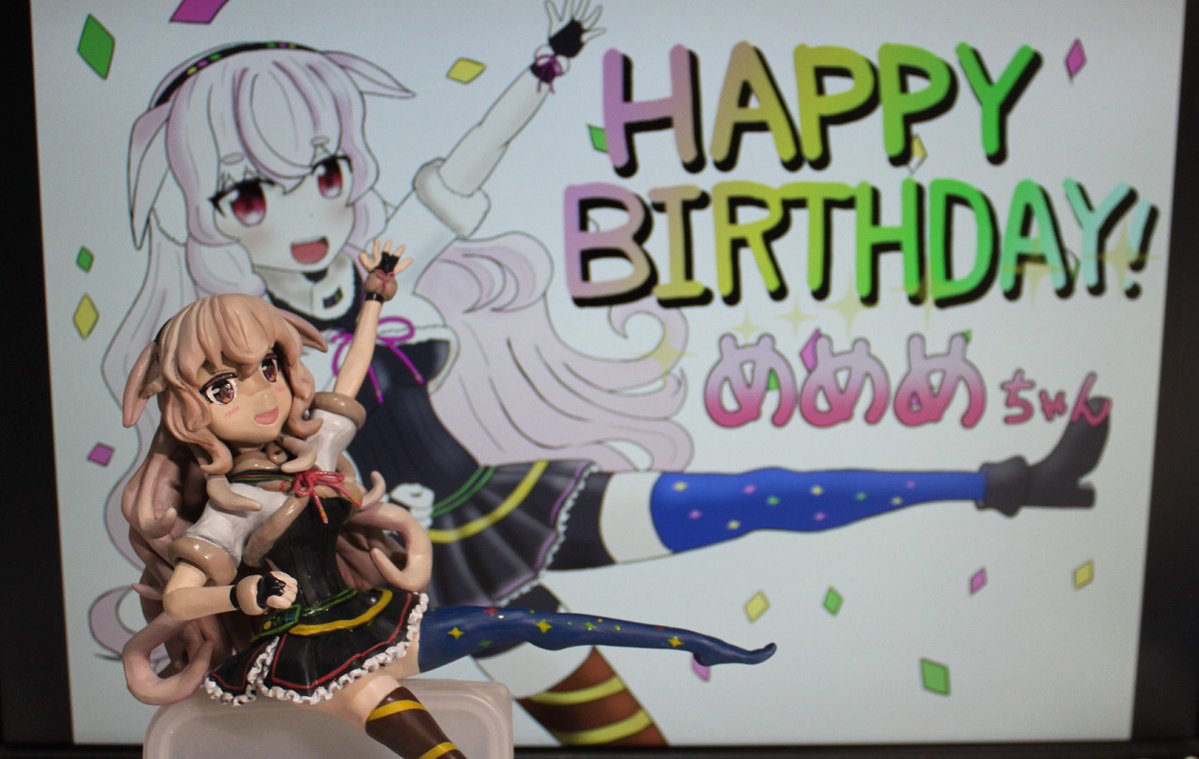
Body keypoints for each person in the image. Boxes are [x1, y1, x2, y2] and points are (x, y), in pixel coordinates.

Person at [100, 4, 1109, 745]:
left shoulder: (356, 294)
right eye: (247, 196)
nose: (304, 214)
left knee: (754, 493)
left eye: (324, 173)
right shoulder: (238, 353)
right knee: (622, 733)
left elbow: (465, 167)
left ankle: (1009, 480)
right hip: (417, 579)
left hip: (502, 503)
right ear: (203, 216)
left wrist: (550, 64)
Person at [119, 243, 774, 758]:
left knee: (526, 623)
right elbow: (180, 600)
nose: (262, 394)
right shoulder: (232, 502)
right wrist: (243, 595)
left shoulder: (314, 451)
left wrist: (374, 298)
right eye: (224, 387)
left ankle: (695, 642)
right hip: (309, 659)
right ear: (188, 409)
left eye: (268, 367)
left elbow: (352, 374)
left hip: (369, 622)